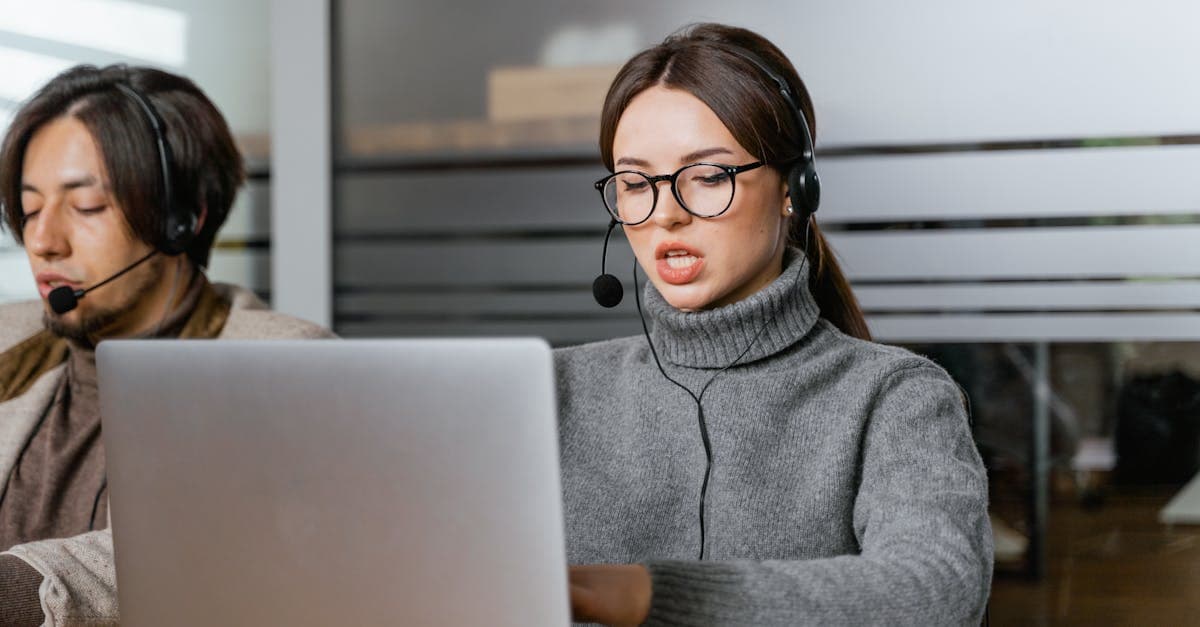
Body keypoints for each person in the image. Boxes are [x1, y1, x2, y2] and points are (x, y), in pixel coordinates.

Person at [558, 24, 992, 625]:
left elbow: (936, 591)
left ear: (795, 189)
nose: (666, 214)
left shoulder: (896, 399)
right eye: (635, 184)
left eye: (709, 176)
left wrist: (656, 596)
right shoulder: (552, 392)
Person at [0, 65, 333, 625]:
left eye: (86, 208)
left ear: (182, 220)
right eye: (30, 209)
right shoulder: (11, 345)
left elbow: (211, 545)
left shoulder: (289, 368)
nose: (42, 241)